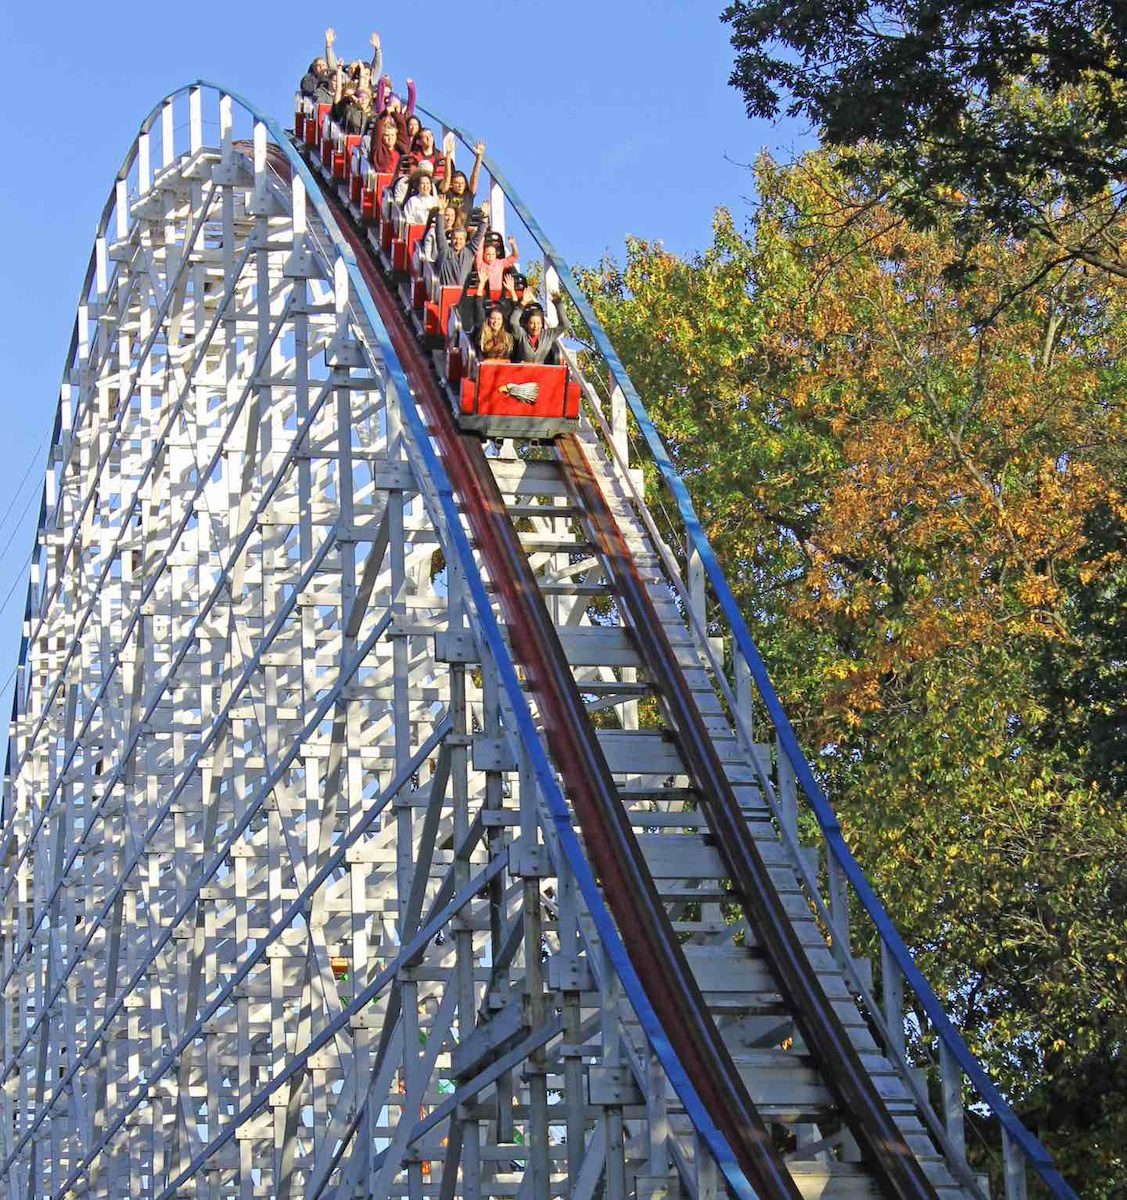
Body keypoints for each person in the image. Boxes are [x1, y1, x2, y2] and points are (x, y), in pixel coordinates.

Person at [509, 291, 570, 365]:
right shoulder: (522, 334)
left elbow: (564, 325)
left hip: (541, 370)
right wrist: (523, 303)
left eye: (538, 323)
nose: (535, 327)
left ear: (542, 324)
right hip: (522, 369)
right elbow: (513, 322)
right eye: (532, 323)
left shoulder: (548, 335)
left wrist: (558, 304)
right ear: (527, 324)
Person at [431, 206, 485, 286]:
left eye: (461, 239)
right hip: (446, 291)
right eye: (455, 239)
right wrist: (441, 213)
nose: (458, 242)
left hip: (463, 292)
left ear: (465, 240)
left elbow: (479, 235)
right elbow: (439, 233)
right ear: (451, 239)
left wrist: (484, 217)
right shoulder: (445, 252)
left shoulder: (468, 253)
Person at [441, 141, 485, 216]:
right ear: (451, 184)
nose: (460, 185)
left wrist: (479, 156)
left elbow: (475, 176)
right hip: (449, 222)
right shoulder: (448, 193)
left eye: (462, 183)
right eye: (457, 183)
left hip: (465, 223)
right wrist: (448, 154)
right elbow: (447, 176)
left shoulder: (468, 195)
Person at [475, 231, 519, 298]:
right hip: (484, 294)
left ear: (496, 255)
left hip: (498, 293)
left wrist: (513, 244)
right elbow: (479, 251)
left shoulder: (500, 263)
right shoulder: (481, 265)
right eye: (488, 254)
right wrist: (482, 237)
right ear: (484, 255)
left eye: (492, 254)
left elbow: (514, 257)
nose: (490, 256)